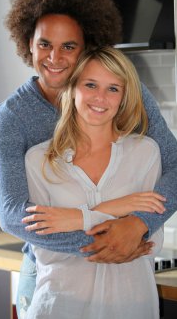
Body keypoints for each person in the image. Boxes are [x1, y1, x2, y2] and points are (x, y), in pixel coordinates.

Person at [0, 0, 177, 318]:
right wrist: (105, 244)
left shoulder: (120, 98)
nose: (54, 57)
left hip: (126, 277)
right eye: (44, 44)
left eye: (69, 47)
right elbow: (14, 215)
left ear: (87, 46)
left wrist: (137, 226)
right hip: (53, 270)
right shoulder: (12, 119)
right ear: (27, 44)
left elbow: (175, 166)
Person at [23, 46, 163, 319]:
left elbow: (148, 243)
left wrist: (76, 219)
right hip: (60, 308)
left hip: (131, 308)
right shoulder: (39, 160)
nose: (101, 97)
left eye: (113, 89)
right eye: (90, 85)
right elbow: (47, 249)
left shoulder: (145, 152)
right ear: (72, 88)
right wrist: (119, 210)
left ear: (124, 97)